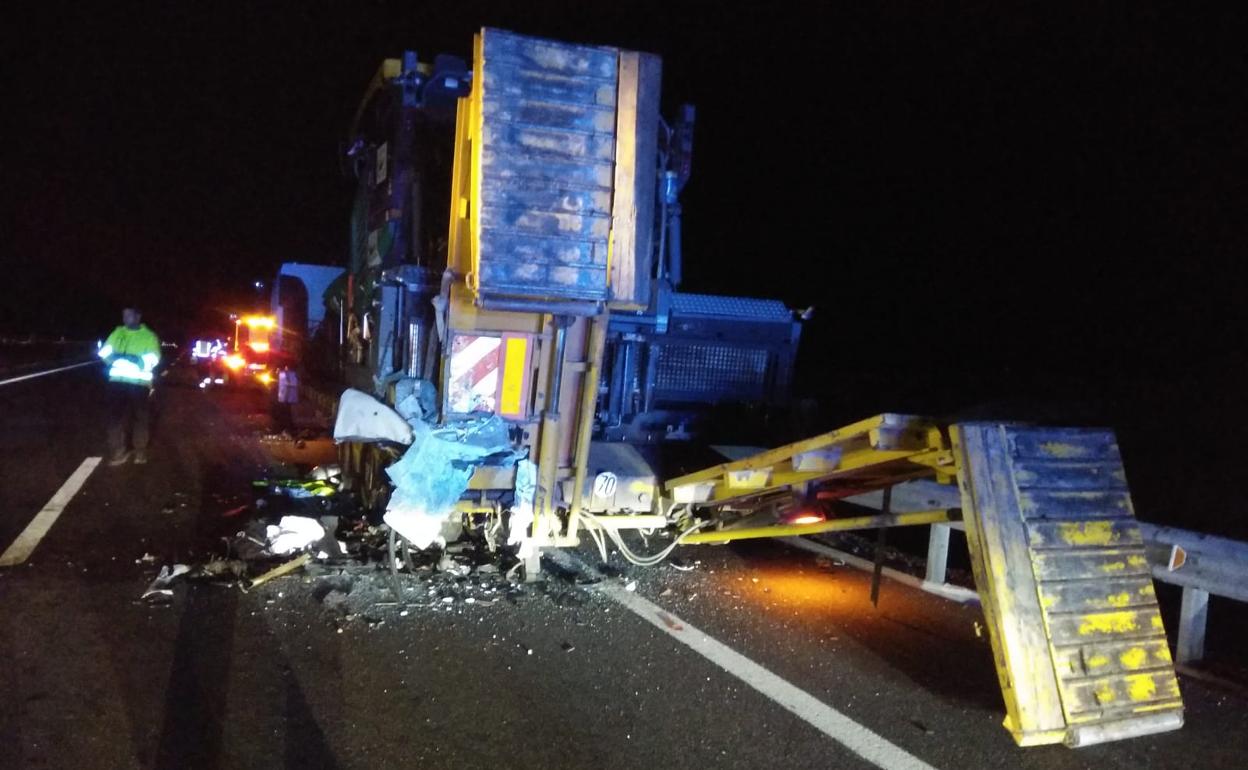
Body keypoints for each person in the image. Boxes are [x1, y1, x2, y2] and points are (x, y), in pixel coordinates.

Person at [97, 307, 161, 465]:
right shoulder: (117, 332)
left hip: (139, 384)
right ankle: (118, 451)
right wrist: (117, 357)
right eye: (123, 315)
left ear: (138, 317)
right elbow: (104, 352)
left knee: (140, 419)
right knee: (114, 419)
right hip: (117, 382)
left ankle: (140, 451)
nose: (125, 318)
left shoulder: (149, 336)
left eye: (129, 315)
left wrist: (135, 360)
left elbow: (153, 358)